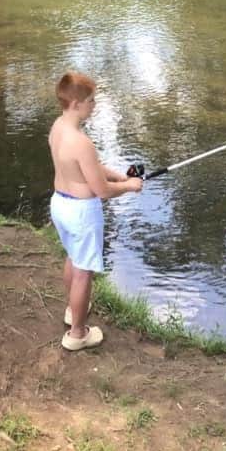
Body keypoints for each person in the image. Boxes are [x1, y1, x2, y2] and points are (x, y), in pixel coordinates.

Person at [49, 72, 143, 351]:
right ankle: (78, 334)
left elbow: (87, 169)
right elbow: (101, 192)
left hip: (60, 204)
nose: (95, 104)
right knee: (83, 272)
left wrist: (119, 176)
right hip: (81, 212)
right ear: (76, 103)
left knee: (74, 258)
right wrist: (129, 187)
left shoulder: (57, 128)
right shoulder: (82, 142)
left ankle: (72, 309)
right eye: (91, 100)